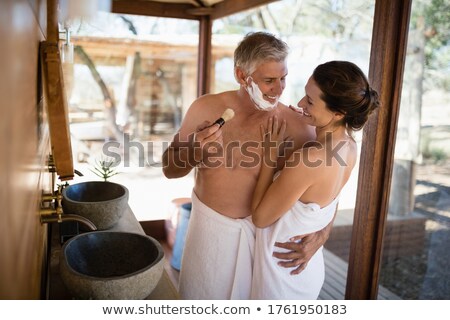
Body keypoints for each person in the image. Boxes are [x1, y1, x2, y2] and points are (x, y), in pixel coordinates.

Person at [162, 32, 332, 299]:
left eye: (283, 78)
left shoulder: (299, 125)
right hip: (212, 240)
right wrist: (194, 151)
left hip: (267, 247)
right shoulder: (206, 108)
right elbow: (169, 169)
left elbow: (327, 188)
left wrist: (322, 233)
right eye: (269, 81)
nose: (279, 89)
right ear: (242, 76)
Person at [250, 60, 380, 299]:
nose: (300, 104)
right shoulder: (349, 147)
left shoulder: (310, 158)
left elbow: (260, 218)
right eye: (305, 95)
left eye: (310, 101)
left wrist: (269, 155)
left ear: (339, 113)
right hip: (305, 270)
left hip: (281, 274)